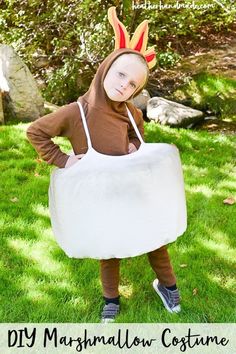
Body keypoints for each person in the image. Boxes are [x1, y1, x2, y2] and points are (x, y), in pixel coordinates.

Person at [26, 7, 182, 323]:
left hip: (133, 188)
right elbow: (36, 131)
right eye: (121, 75)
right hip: (100, 194)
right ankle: (111, 298)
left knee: (155, 239)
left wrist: (133, 145)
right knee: (108, 247)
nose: (125, 85)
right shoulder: (75, 112)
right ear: (106, 69)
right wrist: (63, 159)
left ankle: (168, 287)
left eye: (133, 84)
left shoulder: (132, 114)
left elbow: (138, 138)